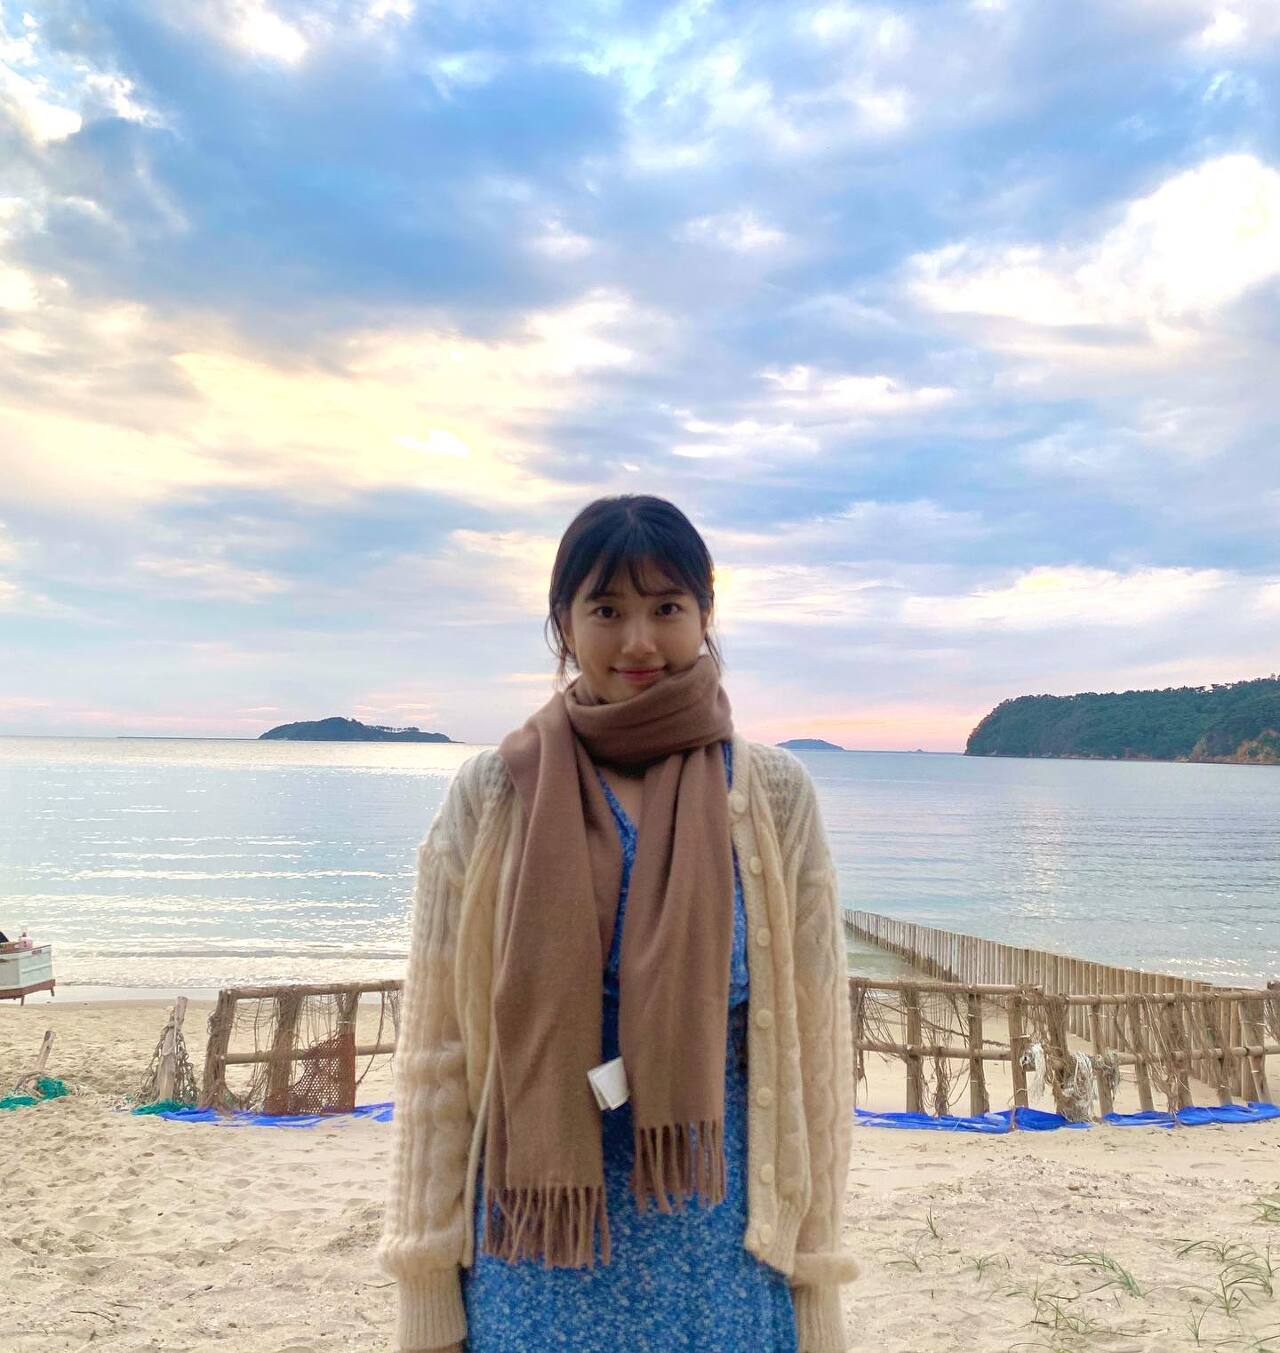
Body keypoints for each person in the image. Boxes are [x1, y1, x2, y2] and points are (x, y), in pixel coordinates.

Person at [378, 494, 856, 1352]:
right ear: (563, 623)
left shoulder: (774, 795)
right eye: (607, 610)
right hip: (536, 1248)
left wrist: (816, 1285)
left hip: (721, 1250)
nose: (639, 640)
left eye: (666, 607)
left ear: (705, 616)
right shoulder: (493, 793)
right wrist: (427, 1294)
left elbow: (815, 1052)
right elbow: (438, 1053)